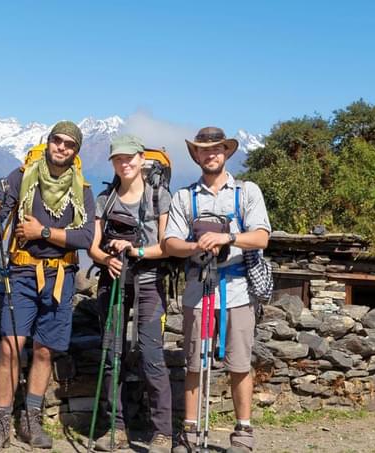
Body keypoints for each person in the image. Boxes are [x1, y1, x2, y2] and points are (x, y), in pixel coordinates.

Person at [0, 121, 96, 452]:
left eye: (69, 144)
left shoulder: (82, 188)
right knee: (10, 346)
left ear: (76, 152)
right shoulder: (21, 176)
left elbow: (85, 238)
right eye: (56, 141)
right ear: (47, 143)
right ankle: (0, 423)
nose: (61, 147)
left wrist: (42, 232)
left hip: (61, 276)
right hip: (23, 272)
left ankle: (31, 420)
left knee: (45, 349)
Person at [164, 127, 271, 453]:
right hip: (198, 288)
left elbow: (262, 237)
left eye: (217, 149)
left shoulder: (247, 192)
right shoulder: (184, 197)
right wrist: (197, 244)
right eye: (203, 150)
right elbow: (169, 243)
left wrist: (228, 238)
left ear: (226, 152)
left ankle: (243, 433)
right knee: (194, 364)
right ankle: (190, 433)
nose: (211, 154)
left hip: (238, 290)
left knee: (239, 364)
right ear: (195, 155)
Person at [88, 135, 173, 453]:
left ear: (141, 158)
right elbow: (93, 247)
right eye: (118, 159)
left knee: (152, 358)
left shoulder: (158, 196)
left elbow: (167, 246)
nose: (124, 163)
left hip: (149, 282)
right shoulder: (105, 199)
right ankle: (116, 428)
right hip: (113, 283)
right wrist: (106, 258)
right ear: (112, 162)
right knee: (112, 357)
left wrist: (134, 249)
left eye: (129, 157)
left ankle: (162, 432)